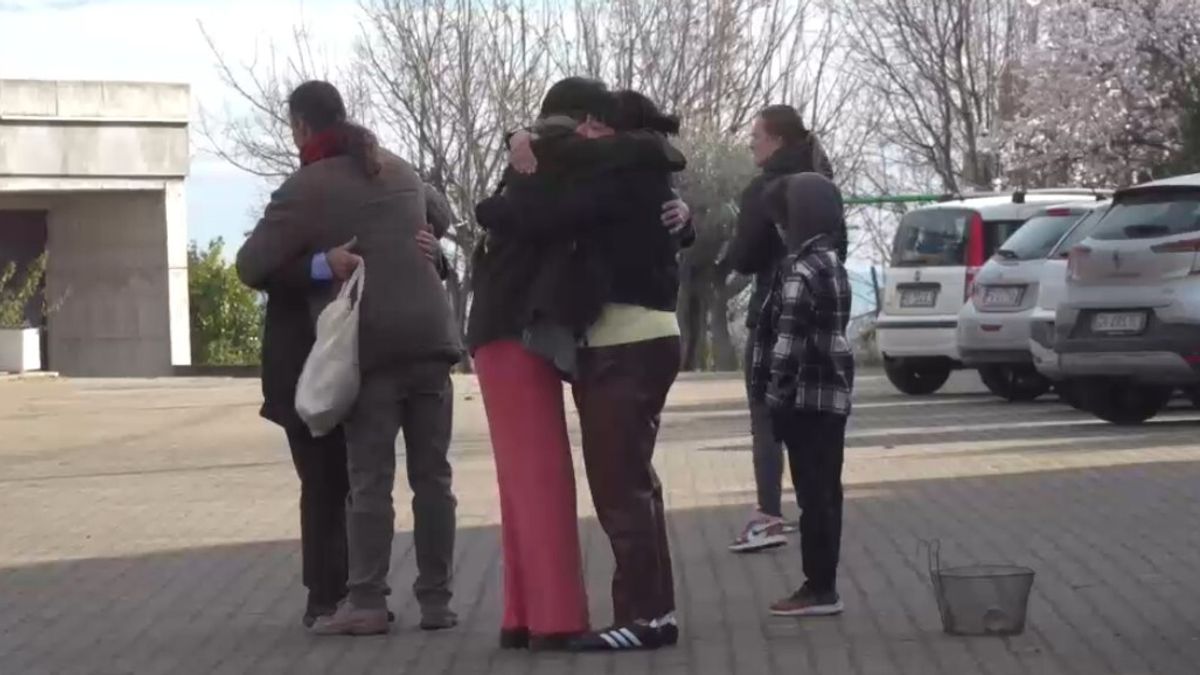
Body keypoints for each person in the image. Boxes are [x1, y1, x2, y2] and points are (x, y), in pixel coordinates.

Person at [468, 77, 691, 652]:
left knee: (620, 489)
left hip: (624, 344)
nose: (583, 136)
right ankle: (653, 614)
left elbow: (540, 215)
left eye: (593, 127)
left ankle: (643, 618)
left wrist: (517, 173)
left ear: (608, 130)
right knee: (634, 482)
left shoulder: (620, 173)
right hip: (639, 340)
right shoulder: (637, 171)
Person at [236, 80, 462, 636]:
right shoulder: (398, 166)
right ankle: (436, 603)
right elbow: (444, 216)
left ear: (301, 128)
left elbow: (249, 264)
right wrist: (425, 242)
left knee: (370, 481)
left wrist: (319, 262)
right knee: (433, 478)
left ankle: (365, 601)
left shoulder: (305, 186)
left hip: (375, 347)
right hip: (433, 340)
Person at [722, 104, 837, 554]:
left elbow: (746, 256)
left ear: (779, 141)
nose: (751, 142)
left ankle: (768, 514)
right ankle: (820, 510)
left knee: (765, 413)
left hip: (773, 311)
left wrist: (735, 254)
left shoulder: (763, 190)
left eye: (757, 135)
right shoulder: (823, 183)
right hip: (823, 309)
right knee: (814, 414)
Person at [749, 172, 853, 617]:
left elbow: (787, 345)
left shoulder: (800, 272)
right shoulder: (832, 262)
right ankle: (824, 581)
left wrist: (774, 398)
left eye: (780, 222)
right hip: (833, 398)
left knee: (811, 496)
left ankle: (818, 588)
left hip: (803, 402)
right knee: (828, 492)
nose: (777, 231)